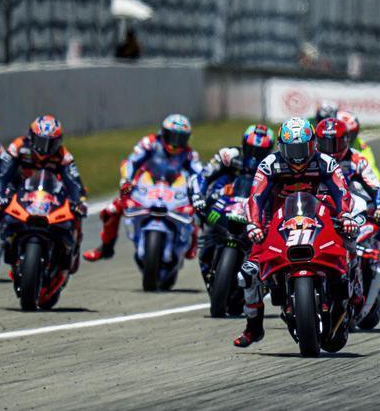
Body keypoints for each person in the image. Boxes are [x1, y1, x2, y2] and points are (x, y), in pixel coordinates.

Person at [233, 117, 357, 348]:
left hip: (319, 216)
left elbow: (342, 192)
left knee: (350, 239)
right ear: (281, 147)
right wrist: (254, 224)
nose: (298, 156)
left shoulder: (326, 162)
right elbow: (256, 198)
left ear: (313, 145)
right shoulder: (269, 164)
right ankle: (254, 328)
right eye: (292, 150)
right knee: (247, 274)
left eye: (302, 149)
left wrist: (345, 216)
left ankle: (353, 287)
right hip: (276, 222)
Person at [0, 115, 87, 277]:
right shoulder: (17, 147)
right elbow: (2, 175)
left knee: (76, 213)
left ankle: (72, 250)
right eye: (41, 141)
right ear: (31, 136)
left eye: (50, 143)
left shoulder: (64, 155)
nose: (45, 148)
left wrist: (78, 201)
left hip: (52, 194)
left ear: (58, 141)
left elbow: (74, 182)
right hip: (17, 190)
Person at [83, 114, 201, 262]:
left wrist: (201, 192)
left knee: (198, 208)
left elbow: (200, 174)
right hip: (145, 186)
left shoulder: (189, 154)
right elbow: (130, 162)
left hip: (174, 190)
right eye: (172, 137)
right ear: (163, 133)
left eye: (180, 139)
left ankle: (193, 241)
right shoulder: (150, 143)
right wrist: (126, 180)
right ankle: (106, 248)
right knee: (111, 211)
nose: (175, 144)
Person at [189, 124, 274, 283]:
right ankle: (203, 245)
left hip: (253, 210)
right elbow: (203, 176)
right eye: (251, 149)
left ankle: (260, 276)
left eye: (260, 152)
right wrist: (198, 196)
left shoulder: (272, 165)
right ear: (243, 145)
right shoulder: (229, 155)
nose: (254, 156)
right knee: (203, 212)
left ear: (268, 151)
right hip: (223, 204)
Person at [318, 117, 380, 285]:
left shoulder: (356, 159)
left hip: (352, 207)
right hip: (320, 207)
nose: (330, 149)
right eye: (325, 143)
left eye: (335, 143)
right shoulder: (313, 160)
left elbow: (376, 187)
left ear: (346, 140)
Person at [338, 111, 380, 181]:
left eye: (353, 133)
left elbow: (370, 165)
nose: (349, 138)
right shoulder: (328, 146)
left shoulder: (360, 144)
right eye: (347, 134)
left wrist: (376, 181)